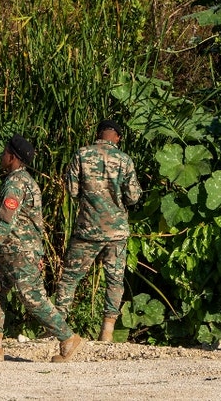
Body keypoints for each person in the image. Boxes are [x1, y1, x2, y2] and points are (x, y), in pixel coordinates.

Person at [0, 135, 82, 363]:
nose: (1, 156)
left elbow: (6, 220)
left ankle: (68, 338)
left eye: (5, 152)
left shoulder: (16, 184)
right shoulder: (25, 181)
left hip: (19, 251)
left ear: (13, 157)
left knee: (32, 298)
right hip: (11, 252)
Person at [53, 119, 142, 341]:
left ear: (99, 134)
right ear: (117, 137)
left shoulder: (81, 155)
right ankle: (107, 332)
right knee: (114, 280)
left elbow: (72, 191)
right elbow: (133, 197)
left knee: (70, 278)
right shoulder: (124, 160)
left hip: (87, 230)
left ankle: (58, 330)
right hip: (116, 232)